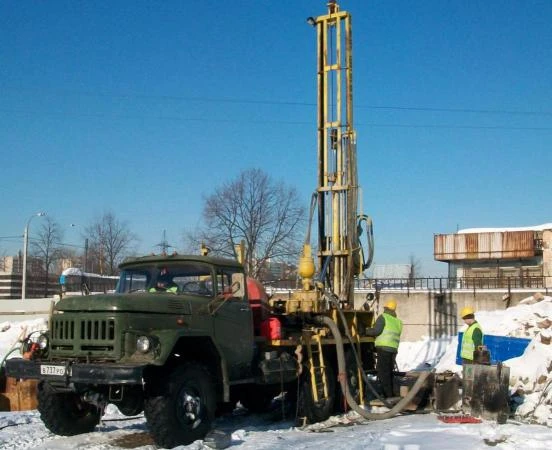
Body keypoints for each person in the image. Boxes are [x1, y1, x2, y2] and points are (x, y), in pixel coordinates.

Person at [365, 298, 403, 398]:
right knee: (389, 372)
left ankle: (387, 396)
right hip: (393, 350)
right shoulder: (398, 322)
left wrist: (366, 331)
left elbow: (376, 331)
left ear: (386, 308)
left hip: (384, 349)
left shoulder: (383, 317)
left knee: (383, 373)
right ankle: (393, 393)